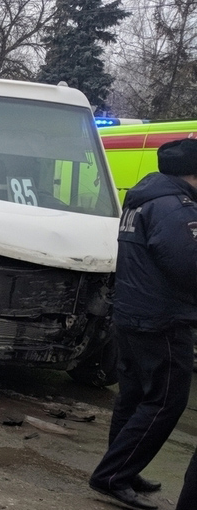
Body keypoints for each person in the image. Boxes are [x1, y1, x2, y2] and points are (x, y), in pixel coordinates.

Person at [89, 138, 197, 510]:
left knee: (133, 397)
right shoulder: (175, 209)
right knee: (166, 401)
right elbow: (188, 266)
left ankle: (120, 468)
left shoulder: (145, 199)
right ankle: (114, 475)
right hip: (162, 319)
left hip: (134, 313)